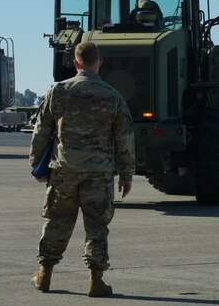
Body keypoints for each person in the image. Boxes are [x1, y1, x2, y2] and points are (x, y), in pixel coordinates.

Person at [29, 41, 135, 297]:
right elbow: (125, 138)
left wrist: (36, 165)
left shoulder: (58, 91)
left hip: (64, 169)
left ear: (75, 63)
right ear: (99, 62)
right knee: (97, 226)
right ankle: (96, 281)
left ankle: (44, 276)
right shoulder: (112, 95)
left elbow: (41, 130)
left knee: (57, 221)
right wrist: (127, 174)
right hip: (99, 173)